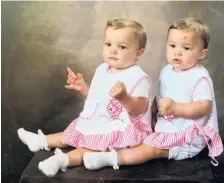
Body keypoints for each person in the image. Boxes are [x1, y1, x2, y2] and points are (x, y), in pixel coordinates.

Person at [83, 17, 224, 171]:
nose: (177, 52)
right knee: (139, 138)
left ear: (202, 53)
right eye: (172, 45)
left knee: (150, 150)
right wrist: (153, 116)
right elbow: (160, 97)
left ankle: (112, 159)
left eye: (187, 48)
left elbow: (204, 107)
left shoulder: (199, 78)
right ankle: (111, 149)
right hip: (165, 129)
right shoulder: (167, 71)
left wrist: (176, 108)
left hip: (187, 138)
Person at [17, 18, 152, 177]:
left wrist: (124, 97)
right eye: (108, 44)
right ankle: (41, 141)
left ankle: (61, 161)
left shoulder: (138, 77)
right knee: (71, 134)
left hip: (121, 130)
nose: (113, 50)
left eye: (122, 47)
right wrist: (84, 88)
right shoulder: (103, 69)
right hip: (102, 121)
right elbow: (99, 99)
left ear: (138, 53)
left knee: (87, 149)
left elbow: (139, 109)